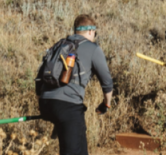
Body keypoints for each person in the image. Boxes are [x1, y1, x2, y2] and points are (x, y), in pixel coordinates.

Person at [37, 14, 115, 155]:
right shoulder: (93, 48)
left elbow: (40, 75)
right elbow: (107, 82)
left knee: (80, 148)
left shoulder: (60, 44)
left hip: (45, 103)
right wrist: (106, 104)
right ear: (91, 31)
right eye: (95, 34)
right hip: (68, 107)